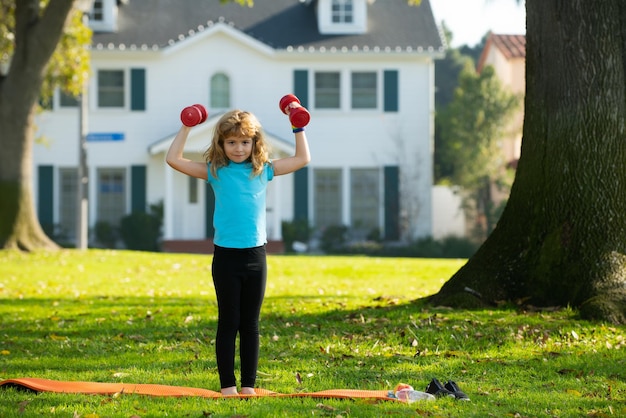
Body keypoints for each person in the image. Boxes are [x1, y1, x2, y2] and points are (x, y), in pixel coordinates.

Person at [166, 107, 311, 395]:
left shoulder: (263, 170)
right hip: (226, 257)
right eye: (231, 142)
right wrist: (186, 127)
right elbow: (173, 159)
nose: (238, 148)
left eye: (245, 142)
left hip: (256, 256)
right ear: (220, 144)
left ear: (255, 143)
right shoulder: (215, 171)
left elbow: (302, 158)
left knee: (250, 324)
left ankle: (248, 386)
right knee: (228, 322)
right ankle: (227, 386)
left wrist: (298, 127)